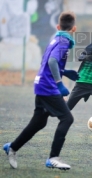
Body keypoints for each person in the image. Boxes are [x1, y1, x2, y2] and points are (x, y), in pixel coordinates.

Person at [3, 11, 78, 170]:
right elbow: (51, 61)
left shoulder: (56, 38)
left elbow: (46, 62)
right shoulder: (64, 41)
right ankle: (53, 158)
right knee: (67, 118)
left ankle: (13, 147)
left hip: (41, 84)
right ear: (74, 29)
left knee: (39, 122)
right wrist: (59, 83)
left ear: (58, 26)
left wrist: (65, 72)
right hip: (48, 86)